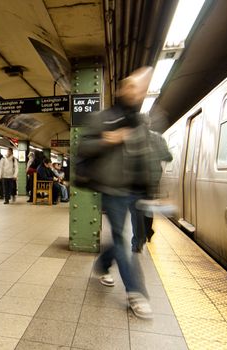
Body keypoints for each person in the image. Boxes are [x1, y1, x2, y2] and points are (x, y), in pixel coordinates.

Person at [78, 66, 154, 318]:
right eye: (131, 86)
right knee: (123, 240)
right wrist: (106, 140)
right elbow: (82, 147)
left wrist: (152, 190)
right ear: (122, 89)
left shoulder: (141, 122)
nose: (136, 92)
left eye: (140, 89)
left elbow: (146, 159)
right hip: (112, 189)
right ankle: (137, 293)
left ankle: (101, 265)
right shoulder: (102, 118)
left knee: (124, 238)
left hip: (137, 190)